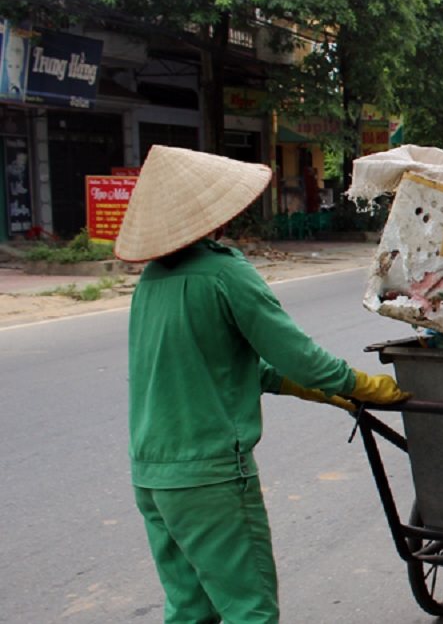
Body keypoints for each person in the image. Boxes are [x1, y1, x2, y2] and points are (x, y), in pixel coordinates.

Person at [115, 145, 409, 623]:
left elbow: (218, 367)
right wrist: (357, 384)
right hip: (210, 476)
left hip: (151, 475)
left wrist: (307, 389)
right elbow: (297, 355)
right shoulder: (224, 272)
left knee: (190, 611)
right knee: (250, 610)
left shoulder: (152, 280)